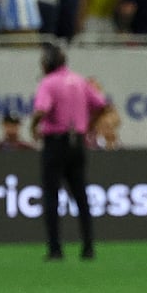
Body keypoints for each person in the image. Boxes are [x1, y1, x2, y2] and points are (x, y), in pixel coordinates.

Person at [30, 43, 109, 261]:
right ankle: (88, 247)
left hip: (55, 142)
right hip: (78, 143)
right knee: (81, 196)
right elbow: (101, 104)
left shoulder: (48, 83)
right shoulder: (80, 80)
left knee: (51, 196)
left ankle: (55, 249)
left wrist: (33, 126)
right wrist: (90, 124)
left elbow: (42, 109)